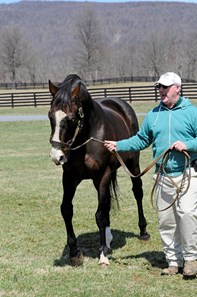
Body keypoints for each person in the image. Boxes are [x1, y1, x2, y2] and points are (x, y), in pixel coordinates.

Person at [104, 72, 197, 278]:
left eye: (165, 87)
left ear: (177, 88)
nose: (161, 91)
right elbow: (140, 140)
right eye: (159, 87)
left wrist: (188, 145)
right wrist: (119, 145)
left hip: (187, 174)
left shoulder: (192, 113)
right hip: (162, 176)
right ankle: (173, 261)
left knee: (188, 215)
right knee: (166, 220)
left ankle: (190, 259)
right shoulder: (154, 115)